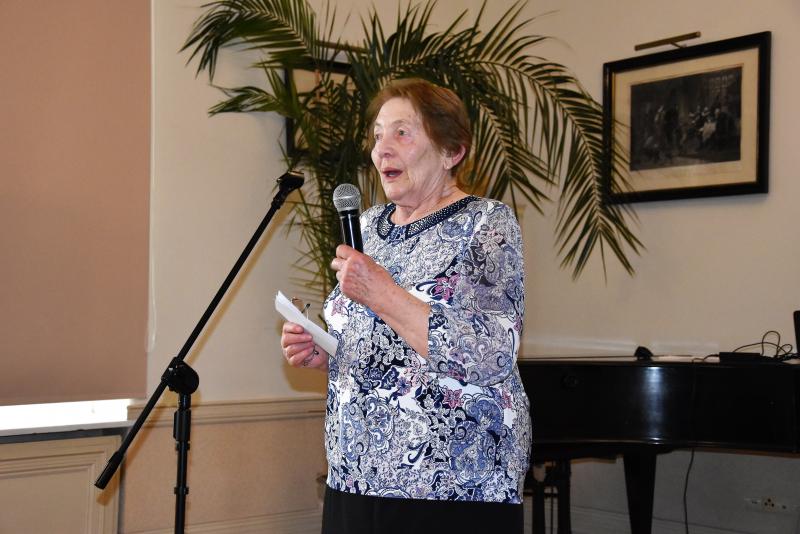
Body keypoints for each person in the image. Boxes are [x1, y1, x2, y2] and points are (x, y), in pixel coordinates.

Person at [280, 78, 531, 534]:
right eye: (378, 135)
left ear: (451, 151)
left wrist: (383, 293)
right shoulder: (367, 227)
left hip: (452, 483)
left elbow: (494, 352)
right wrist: (324, 351)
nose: (382, 149)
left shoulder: (486, 223)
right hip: (355, 473)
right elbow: (373, 343)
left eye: (402, 133)